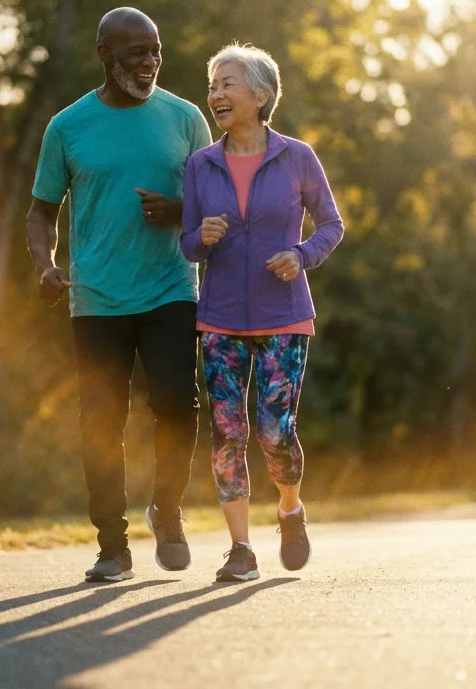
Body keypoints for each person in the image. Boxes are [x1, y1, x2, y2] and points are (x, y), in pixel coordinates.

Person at [26, 7, 212, 583]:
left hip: (170, 290)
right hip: (98, 299)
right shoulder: (67, 126)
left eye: (156, 49)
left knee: (178, 406)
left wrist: (182, 210)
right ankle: (112, 546)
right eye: (136, 52)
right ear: (105, 55)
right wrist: (45, 265)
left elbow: (219, 203)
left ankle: (168, 509)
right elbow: (41, 211)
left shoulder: (185, 119)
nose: (150, 61)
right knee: (99, 424)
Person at [180, 43, 344, 582]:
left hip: (283, 315)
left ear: (261, 94)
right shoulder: (201, 165)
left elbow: (330, 225)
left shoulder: (297, 157)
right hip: (220, 315)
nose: (216, 94)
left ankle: (290, 509)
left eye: (228, 83)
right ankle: (241, 549)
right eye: (213, 85)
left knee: (275, 431)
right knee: (228, 431)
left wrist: (300, 256)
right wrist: (199, 238)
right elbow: (188, 243)